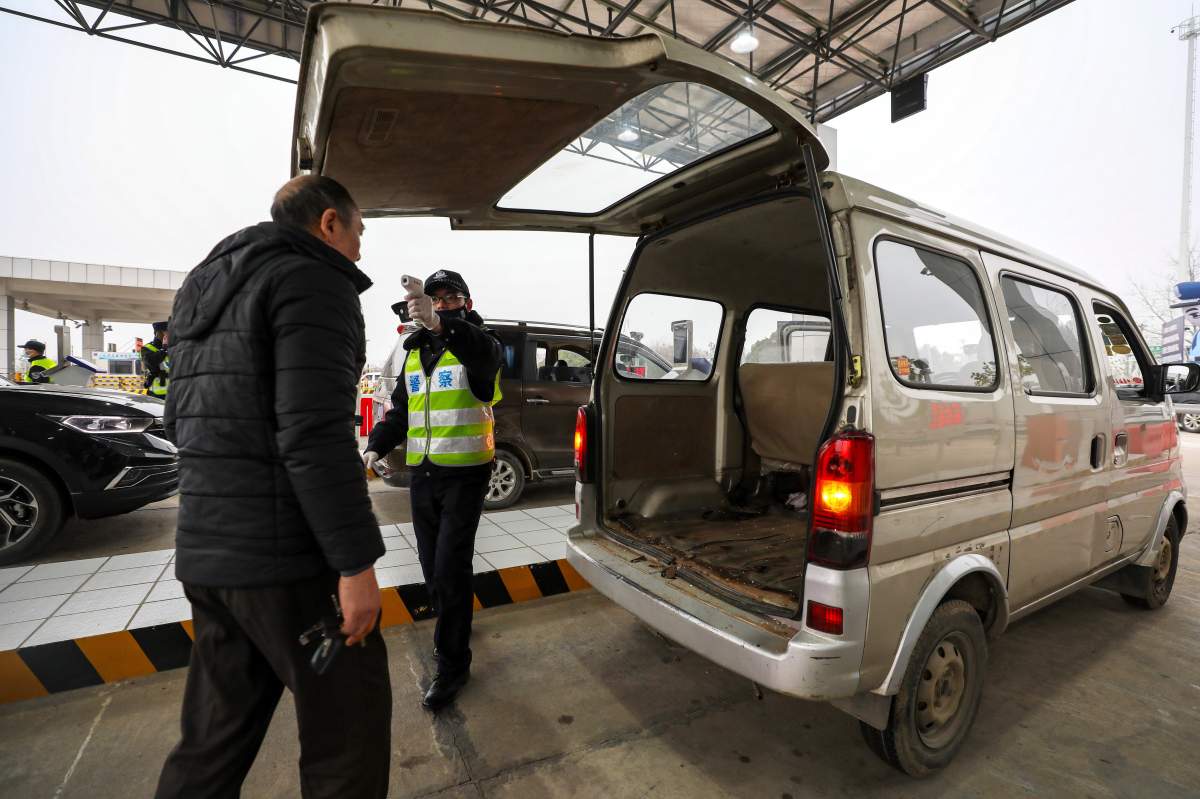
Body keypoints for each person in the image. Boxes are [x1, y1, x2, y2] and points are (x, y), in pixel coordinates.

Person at [155, 175, 391, 799]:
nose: (361, 251)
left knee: (211, 741)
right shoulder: (313, 282)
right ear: (329, 224)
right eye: (359, 232)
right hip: (288, 562)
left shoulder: (202, 289)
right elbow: (315, 435)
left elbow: (177, 421)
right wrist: (355, 566)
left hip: (208, 557)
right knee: (349, 734)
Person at [362, 269, 502, 711]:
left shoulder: (480, 344)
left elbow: (482, 355)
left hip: (465, 472)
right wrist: (375, 445)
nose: (439, 304)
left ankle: (453, 663)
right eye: (433, 300)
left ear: (467, 302)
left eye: (448, 298)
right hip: (423, 473)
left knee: (449, 567)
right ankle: (456, 620)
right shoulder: (413, 353)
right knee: (430, 565)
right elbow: (402, 410)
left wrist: (443, 326)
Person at [141, 320, 170, 399]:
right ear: (158, 333)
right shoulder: (147, 348)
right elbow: (151, 363)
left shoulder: (174, 347)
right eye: (167, 331)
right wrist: (164, 349)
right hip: (157, 393)